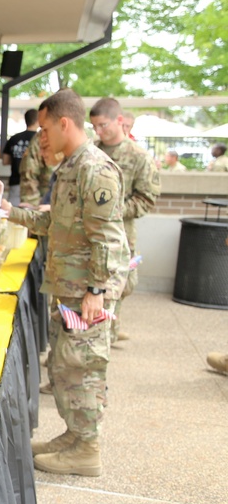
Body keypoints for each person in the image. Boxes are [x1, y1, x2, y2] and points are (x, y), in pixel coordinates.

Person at [0, 88, 129, 477]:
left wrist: (96, 291)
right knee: (65, 366)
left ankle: (86, 448)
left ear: (64, 123)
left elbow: (107, 236)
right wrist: (11, 212)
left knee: (83, 366)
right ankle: (74, 436)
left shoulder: (94, 168)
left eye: (43, 130)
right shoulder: (71, 166)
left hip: (85, 290)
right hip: (70, 287)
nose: (41, 138)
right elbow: (56, 224)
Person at [88, 97, 160, 343]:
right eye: (95, 127)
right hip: (88, 235)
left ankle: (108, 334)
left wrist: (115, 210)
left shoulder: (139, 156)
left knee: (117, 288)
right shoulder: (91, 151)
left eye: (103, 125)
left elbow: (147, 199)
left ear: (120, 121)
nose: (99, 131)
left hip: (120, 235)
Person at [2, 109, 39, 205]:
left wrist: (18, 158)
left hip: (15, 181)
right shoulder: (40, 139)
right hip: (34, 184)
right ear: (37, 121)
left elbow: (5, 161)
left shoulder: (14, 138)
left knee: (11, 213)